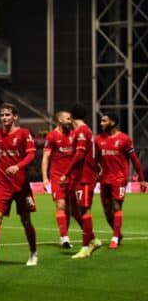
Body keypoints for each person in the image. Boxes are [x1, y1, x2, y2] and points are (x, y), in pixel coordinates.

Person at [0, 103, 38, 268]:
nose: (4, 118)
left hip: (21, 186)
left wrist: (18, 166)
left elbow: (32, 154)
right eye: (2, 115)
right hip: (2, 184)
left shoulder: (24, 133)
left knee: (26, 221)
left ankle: (33, 253)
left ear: (15, 117)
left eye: (7, 115)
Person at [95, 113, 146, 249]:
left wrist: (142, 179)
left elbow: (134, 159)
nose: (101, 123)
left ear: (113, 122)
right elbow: (95, 159)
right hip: (104, 179)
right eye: (101, 121)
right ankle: (118, 233)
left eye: (104, 121)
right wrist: (96, 171)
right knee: (107, 211)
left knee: (116, 206)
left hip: (119, 178)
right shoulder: (98, 139)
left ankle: (115, 237)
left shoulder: (124, 139)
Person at [60, 104, 101, 259]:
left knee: (84, 210)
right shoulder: (84, 130)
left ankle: (86, 247)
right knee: (75, 210)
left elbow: (79, 155)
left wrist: (65, 174)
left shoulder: (82, 131)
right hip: (79, 177)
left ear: (72, 116)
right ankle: (92, 239)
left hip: (84, 177)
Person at [41, 111, 75, 248]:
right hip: (57, 177)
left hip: (72, 177)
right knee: (60, 205)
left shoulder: (74, 134)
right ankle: (64, 237)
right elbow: (46, 157)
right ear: (60, 120)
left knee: (70, 209)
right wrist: (45, 178)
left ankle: (63, 234)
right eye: (68, 118)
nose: (70, 121)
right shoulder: (52, 136)